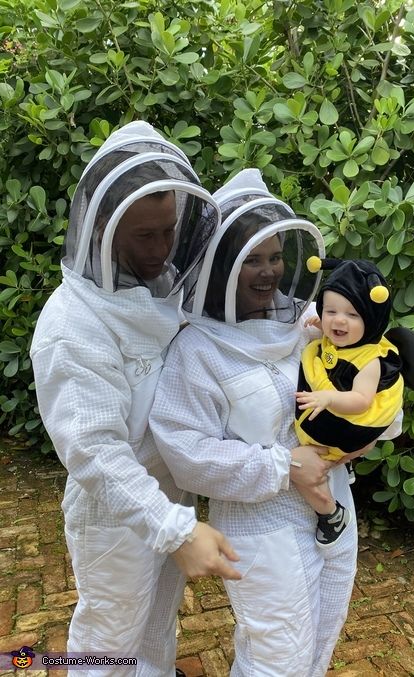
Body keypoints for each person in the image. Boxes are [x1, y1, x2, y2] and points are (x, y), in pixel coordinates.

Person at [150, 168, 385, 676]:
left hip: (333, 507)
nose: (268, 271)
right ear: (223, 266)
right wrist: (283, 467)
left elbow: (374, 381)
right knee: (276, 655)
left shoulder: (308, 324)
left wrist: (366, 435)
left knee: (321, 636)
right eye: (251, 260)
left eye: (276, 256)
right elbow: (185, 450)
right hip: (261, 524)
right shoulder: (198, 348)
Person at [30, 121, 241, 677]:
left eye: (169, 230)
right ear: (103, 225)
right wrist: (174, 528)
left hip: (169, 500)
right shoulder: (72, 325)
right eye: (145, 235)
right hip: (115, 515)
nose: (162, 248)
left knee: (154, 628)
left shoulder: (157, 287)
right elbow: (96, 451)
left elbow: (221, 341)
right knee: (109, 639)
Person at [295, 258, 404, 547]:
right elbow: (333, 342)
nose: (338, 321)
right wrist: (323, 325)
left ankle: (330, 513)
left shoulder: (369, 361)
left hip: (349, 422)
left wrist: (328, 397)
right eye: (330, 311)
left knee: (302, 472)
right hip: (339, 422)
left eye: (352, 315)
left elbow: (360, 401)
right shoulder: (340, 340)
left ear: (372, 320)